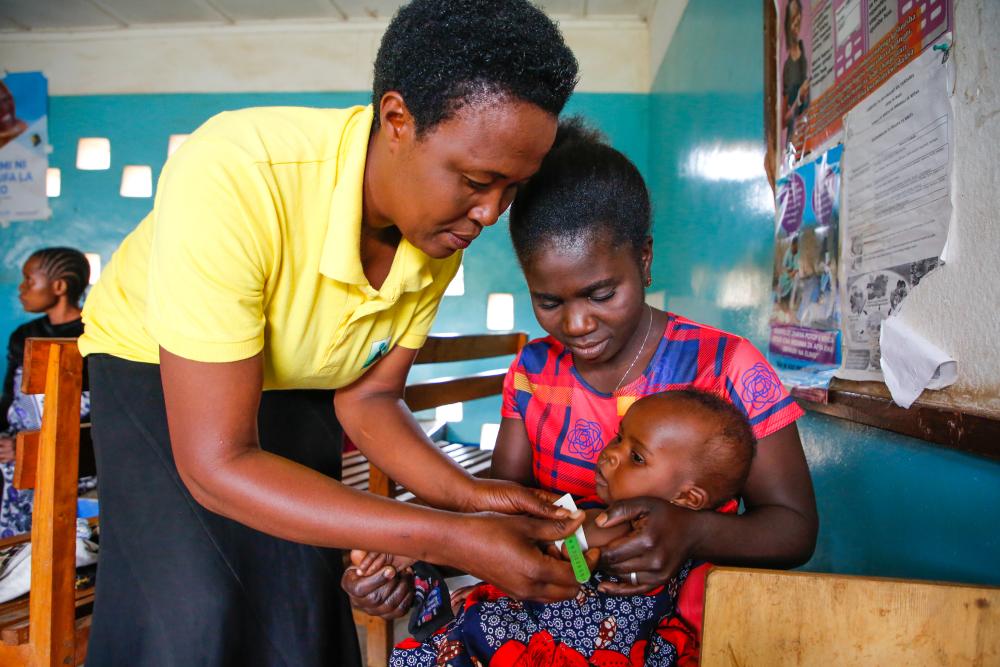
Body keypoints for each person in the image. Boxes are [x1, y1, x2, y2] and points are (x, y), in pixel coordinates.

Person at [76, 2, 588, 665]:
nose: (490, 213)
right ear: (397, 120)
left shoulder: (436, 231)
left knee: (305, 617)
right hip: (158, 373)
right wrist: (453, 538)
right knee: (194, 614)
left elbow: (368, 398)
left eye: (512, 188)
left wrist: (472, 497)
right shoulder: (236, 171)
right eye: (476, 181)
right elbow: (218, 464)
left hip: (296, 384)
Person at [345, 121, 817, 646]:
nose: (575, 325)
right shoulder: (532, 372)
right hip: (559, 613)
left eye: (599, 294)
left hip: (682, 625)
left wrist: (693, 530)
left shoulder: (726, 365)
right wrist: (403, 560)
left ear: (644, 259)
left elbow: (794, 529)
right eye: (550, 302)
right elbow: (500, 507)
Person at [388, 390, 755, 666]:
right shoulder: (695, 544)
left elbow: (542, 538)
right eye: (619, 438)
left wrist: (423, 543)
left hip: (575, 644)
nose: (611, 454)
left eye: (637, 457)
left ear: (687, 498)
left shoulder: (615, 525)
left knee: (480, 627)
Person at [0, 248, 92, 537]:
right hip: (17, 455)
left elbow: (97, 413)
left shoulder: (92, 336)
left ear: (59, 286)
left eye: (29, 280)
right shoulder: (24, 335)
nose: (22, 288)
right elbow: (10, 399)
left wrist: (35, 446)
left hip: (73, 461)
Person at [782, 0, 810, 145]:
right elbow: (782, 121)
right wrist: (799, 98)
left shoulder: (806, 50)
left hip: (811, 131)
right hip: (795, 142)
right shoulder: (786, 67)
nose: (796, 26)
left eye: (798, 19)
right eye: (793, 20)